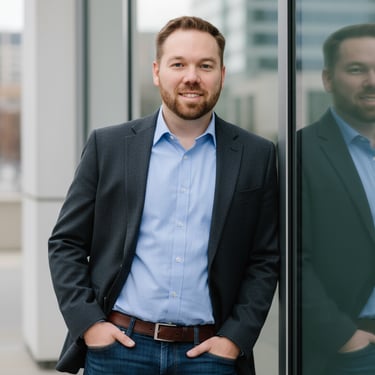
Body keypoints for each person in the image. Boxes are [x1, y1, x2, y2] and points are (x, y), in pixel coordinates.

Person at [48, 16, 279, 375]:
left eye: (205, 65)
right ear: (157, 71)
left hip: (209, 356)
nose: (192, 76)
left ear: (222, 73)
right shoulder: (108, 147)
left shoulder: (257, 155)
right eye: (178, 64)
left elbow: (265, 258)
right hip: (119, 351)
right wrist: (89, 324)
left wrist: (235, 338)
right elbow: (66, 242)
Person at [299, 23, 375, 375]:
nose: (372, 80)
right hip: (349, 347)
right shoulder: (299, 152)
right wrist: (344, 336)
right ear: (328, 79)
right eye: (357, 69)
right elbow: (293, 259)